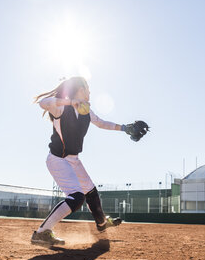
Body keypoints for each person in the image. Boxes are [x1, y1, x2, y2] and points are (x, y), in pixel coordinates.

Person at [31, 76, 137, 246]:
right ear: (79, 89)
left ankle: (102, 223)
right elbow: (43, 103)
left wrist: (125, 128)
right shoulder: (60, 109)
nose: (90, 92)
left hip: (73, 159)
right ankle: (41, 233)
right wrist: (69, 102)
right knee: (76, 197)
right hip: (58, 159)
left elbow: (102, 123)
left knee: (91, 192)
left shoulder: (86, 110)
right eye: (87, 88)